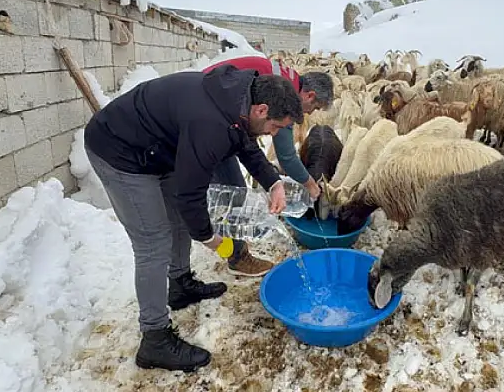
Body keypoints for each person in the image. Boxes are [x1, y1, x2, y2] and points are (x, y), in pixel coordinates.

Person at [83, 64, 304, 372]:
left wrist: (274, 182)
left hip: (157, 148)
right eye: (276, 126)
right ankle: (155, 339)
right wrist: (211, 239)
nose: (275, 133)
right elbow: (191, 194)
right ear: (261, 109)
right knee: (153, 242)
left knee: (176, 221)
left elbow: (246, 145)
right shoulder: (210, 124)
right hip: (120, 152)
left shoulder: (239, 99)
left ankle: (180, 284)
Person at [201, 55, 334, 249]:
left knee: (234, 187)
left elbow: (248, 144)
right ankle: (233, 252)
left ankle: (232, 247)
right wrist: (311, 186)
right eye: (314, 108)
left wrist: (272, 181)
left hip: (210, 104)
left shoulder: (286, 77)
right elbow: (286, 156)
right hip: (206, 122)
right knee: (231, 194)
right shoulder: (285, 99)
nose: (309, 114)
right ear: (310, 95)